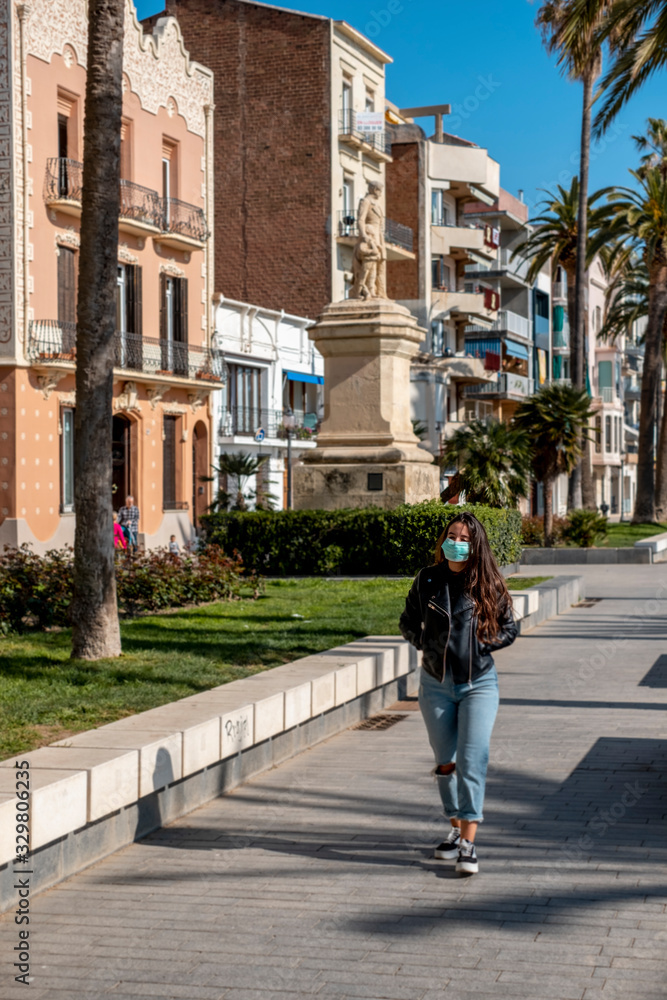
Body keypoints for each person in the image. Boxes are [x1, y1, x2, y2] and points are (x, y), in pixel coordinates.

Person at [399, 511, 517, 876]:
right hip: (435, 684)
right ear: (444, 539)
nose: (457, 542)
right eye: (452, 535)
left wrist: (484, 645)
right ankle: (454, 829)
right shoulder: (428, 579)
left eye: (465, 538)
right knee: (445, 762)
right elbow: (407, 621)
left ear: (475, 543)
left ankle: (468, 841)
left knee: (471, 759)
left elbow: (510, 628)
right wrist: (426, 645)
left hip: (478, 684)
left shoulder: (487, 582)